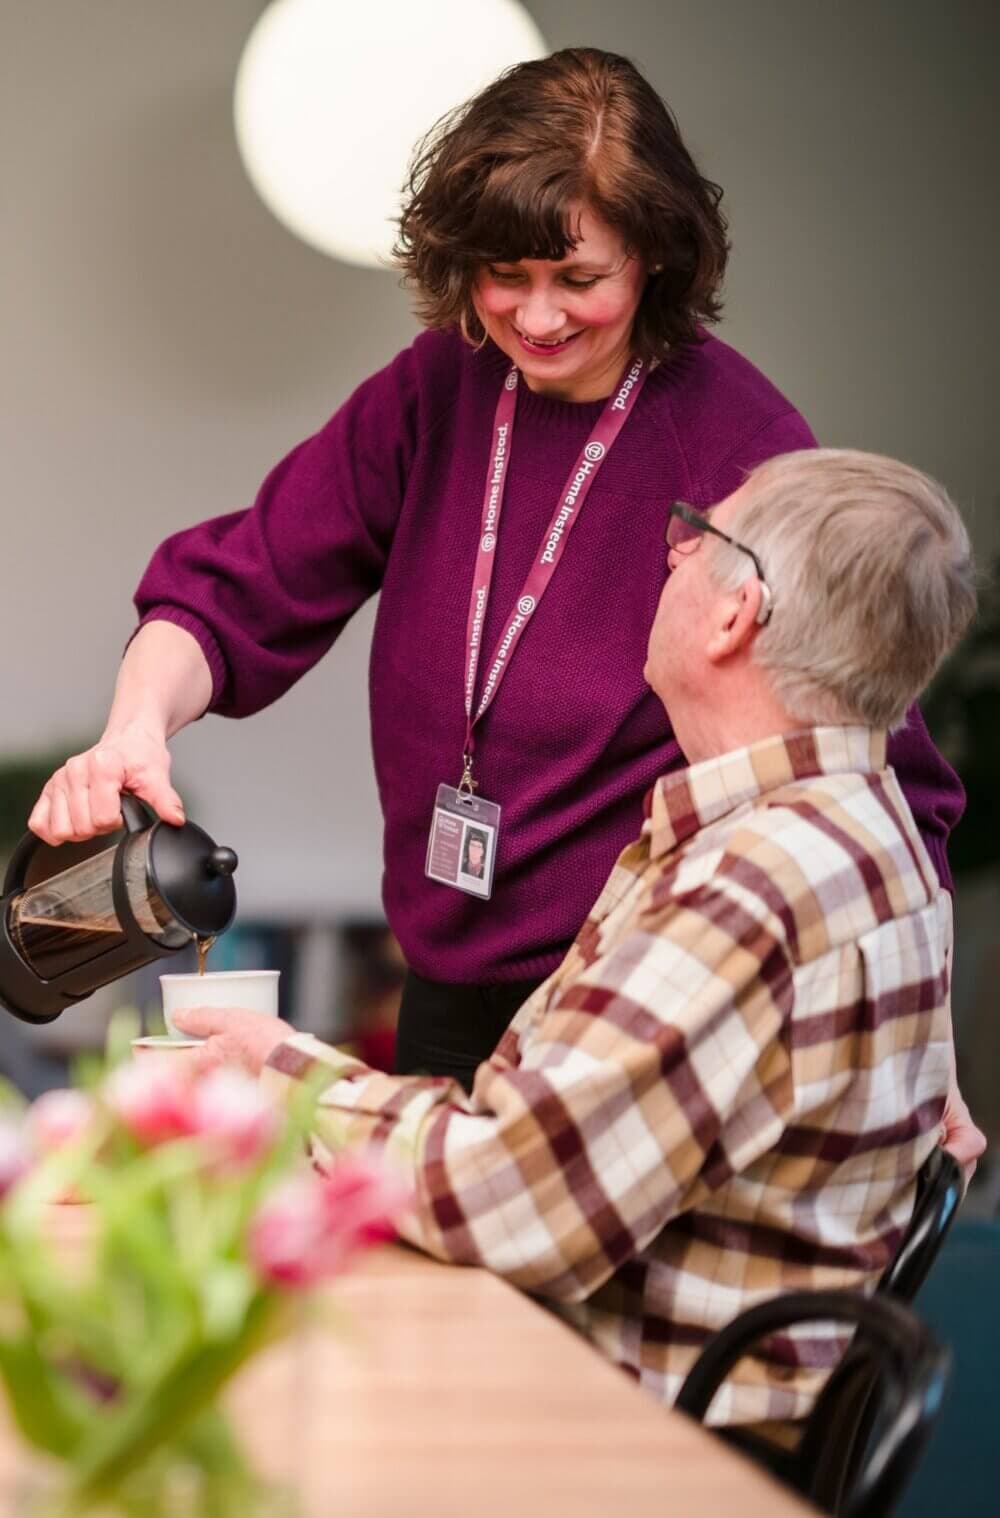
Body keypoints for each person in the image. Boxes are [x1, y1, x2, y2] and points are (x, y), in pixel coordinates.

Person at [28, 49, 965, 1093]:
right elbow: (237, 584)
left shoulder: (737, 447)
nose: (537, 318)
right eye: (504, 275)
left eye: (579, 279)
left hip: (630, 1008)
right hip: (438, 981)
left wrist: (923, 1064)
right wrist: (134, 731)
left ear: (653, 257)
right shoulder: (444, 385)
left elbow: (885, 778)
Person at [176, 447, 978, 1425]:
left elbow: (510, 1199)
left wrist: (283, 1074)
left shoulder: (754, 883)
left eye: (699, 535)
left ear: (735, 614)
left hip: (623, 1434)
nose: (672, 554)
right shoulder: (872, 826)